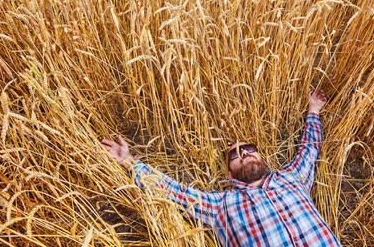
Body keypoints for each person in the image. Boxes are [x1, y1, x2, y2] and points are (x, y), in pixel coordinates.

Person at [102, 88, 342, 246]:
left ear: (262, 157)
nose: (244, 154)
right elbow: (175, 192)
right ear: (229, 173)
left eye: (248, 149)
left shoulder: (294, 176)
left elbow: (309, 149)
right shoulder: (222, 205)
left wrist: (314, 110)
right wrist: (129, 162)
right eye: (235, 155)